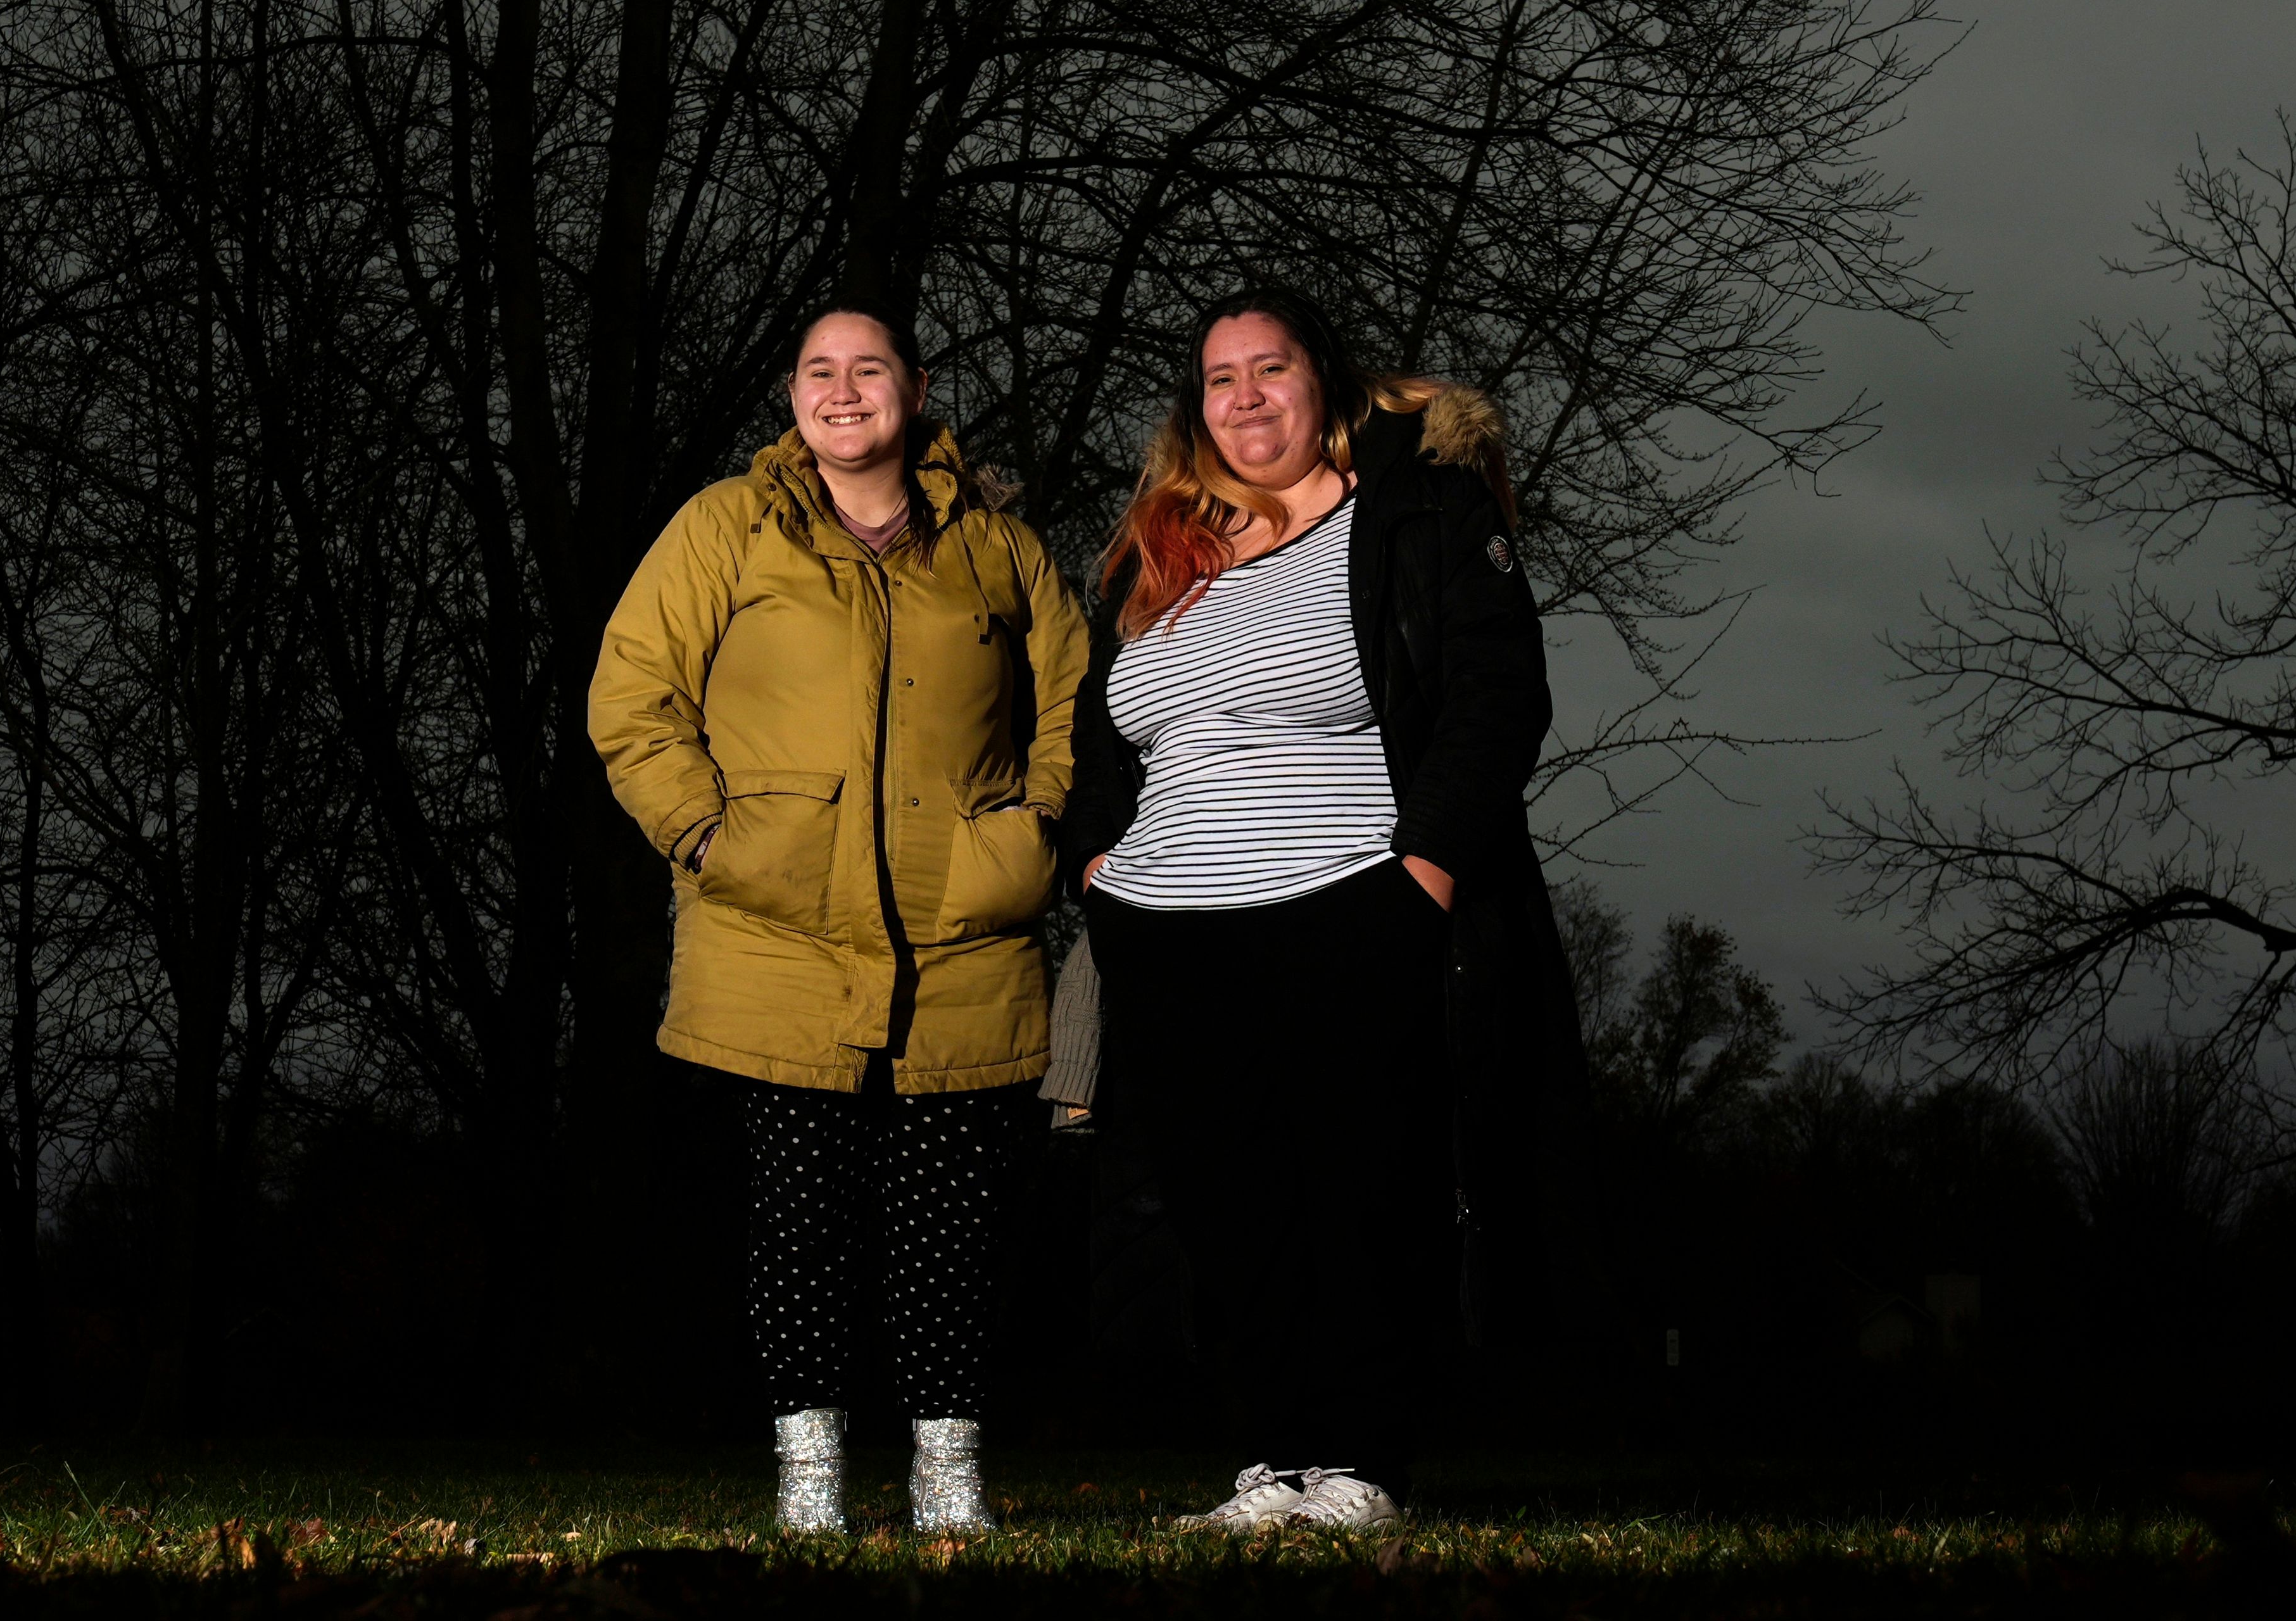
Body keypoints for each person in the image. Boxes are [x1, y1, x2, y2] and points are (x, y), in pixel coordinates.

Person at [1059, 286, 1580, 1531]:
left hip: (1348, 895)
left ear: (1321, 383)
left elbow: (1498, 689)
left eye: (1270, 369)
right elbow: (1097, 733)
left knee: (1360, 1186)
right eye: (1220, 378)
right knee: (1222, 1201)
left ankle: (1360, 1461)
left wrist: (1430, 870)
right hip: (1164, 919)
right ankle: (1270, 1460)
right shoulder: (1161, 543)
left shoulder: (1414, 511)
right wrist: (1094, 865)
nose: (1245, 397)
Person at [589, 301, 1089, 1534]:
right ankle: (809, 1478)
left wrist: (1030, 833)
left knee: (951, 1227)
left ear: (915, 390)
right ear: (793, 397)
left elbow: (1076, 697)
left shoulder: (998, 545)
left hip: (962, 939)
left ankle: (948, 1475)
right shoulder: (725, 527)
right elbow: (633, 693)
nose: (845, 388)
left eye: (870, 368)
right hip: (775, 933)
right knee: (798, 1218)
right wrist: (707, 831)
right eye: (820, 368)